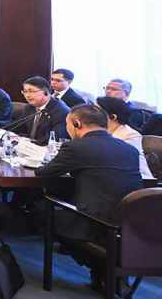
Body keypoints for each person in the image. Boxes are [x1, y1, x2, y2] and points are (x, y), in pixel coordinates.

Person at [35, 104, 143, 290]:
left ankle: (99, 265)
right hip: (130, 224)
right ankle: (104, 272)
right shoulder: (129, 150)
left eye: (68, 124)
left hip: (95, 223)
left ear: (77, 124)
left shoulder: (76, 147)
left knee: (40, 210)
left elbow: (44, 173)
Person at [96, 96, 154, 179]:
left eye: (96, 111)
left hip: (137, 180)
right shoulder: (98, 131)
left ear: (113, 117)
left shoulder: (130, 135)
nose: (91, 114)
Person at [19, 76, 70, 145]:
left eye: (31, 91)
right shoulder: (29, 107)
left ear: (46, 92)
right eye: (25, 91)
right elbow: (20, 129)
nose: (27, 95)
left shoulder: (61, 111)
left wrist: (30, 143)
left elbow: (54, 139)